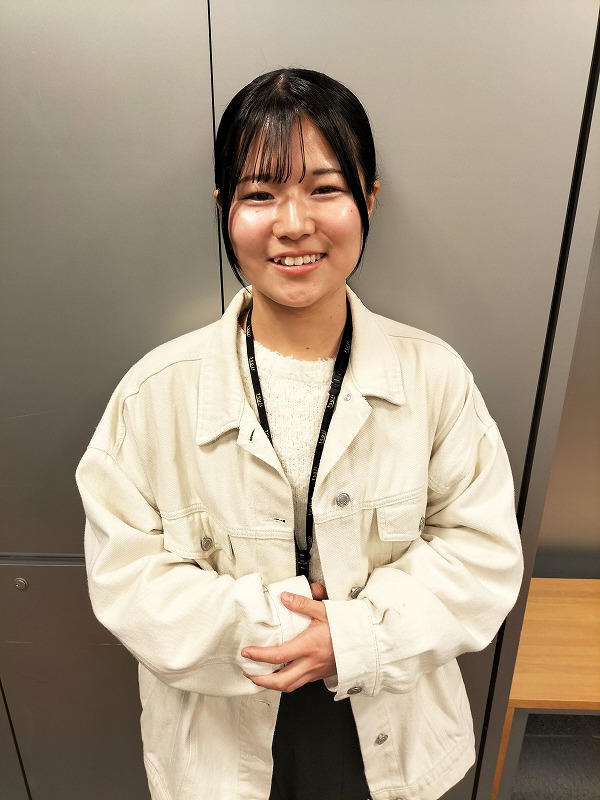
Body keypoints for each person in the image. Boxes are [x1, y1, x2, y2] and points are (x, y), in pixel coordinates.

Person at [76, 68, 523, 800]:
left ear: (367, 199)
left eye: (324, 189)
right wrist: (277, 627)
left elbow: (482, 555)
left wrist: (354, 637)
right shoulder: (154, 393)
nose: (292, 223)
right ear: (224, 209)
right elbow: (128, 581)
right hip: (221, 740)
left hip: (390, 724)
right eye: (259, 194)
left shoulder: (434, 376)